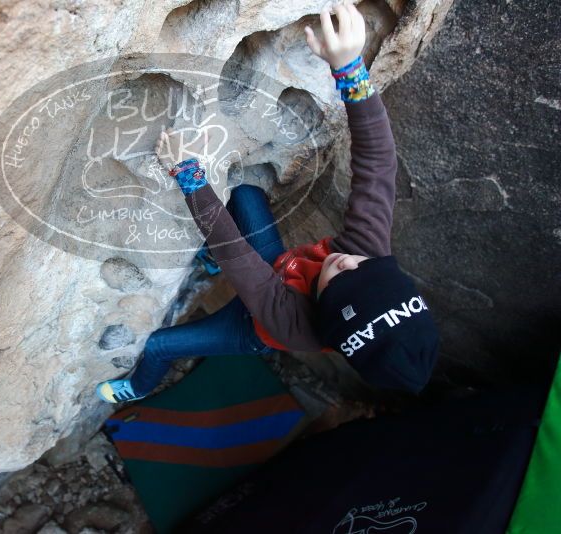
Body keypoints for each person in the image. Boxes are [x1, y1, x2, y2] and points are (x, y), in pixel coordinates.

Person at [96, 0, 440, 403]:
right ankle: (209, 261)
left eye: (342, 286)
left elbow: (237, 255)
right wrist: (350, 70)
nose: (347, 263)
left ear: (328, 318)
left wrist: (187, 173)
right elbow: (378, 165)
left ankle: (137, 388)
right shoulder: (365, 254)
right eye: (367, 272)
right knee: (244, 192)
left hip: (254, 323)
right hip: (278, 267)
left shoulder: (293, 325)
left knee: (159, 345)